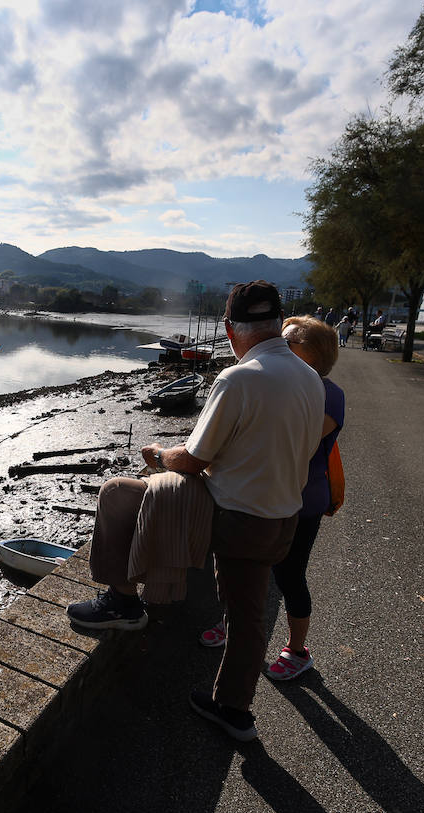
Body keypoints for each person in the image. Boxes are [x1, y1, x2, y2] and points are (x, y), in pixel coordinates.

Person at [66, 281, 324, 741]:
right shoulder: (308, 377)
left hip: (234, 518)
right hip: (283, 518)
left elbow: (194, 459)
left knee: (119, 493)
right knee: (247, 616)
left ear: (231, 329)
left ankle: (123, 601)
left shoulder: (239, 377)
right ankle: (233, 710)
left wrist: (160, 454)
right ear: (278, 325)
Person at [198, 316, 345, 684]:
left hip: (300, 499)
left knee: (289, 574)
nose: (278, 349)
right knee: (239, 571)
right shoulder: (276, 381)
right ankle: (231, 624)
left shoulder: (328, 393)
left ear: (315, 355)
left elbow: (296, 442)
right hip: (263, 492)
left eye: (289, 344)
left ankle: (297, 650)